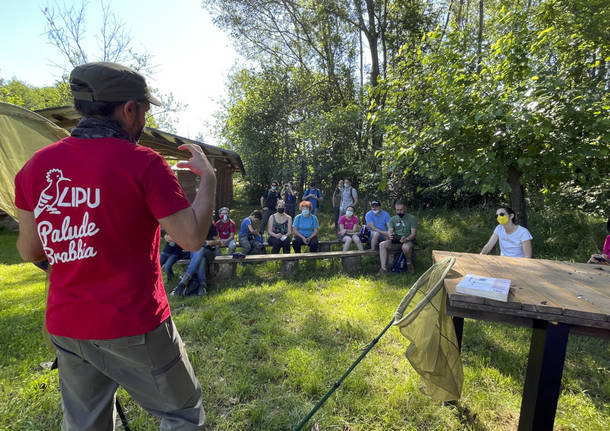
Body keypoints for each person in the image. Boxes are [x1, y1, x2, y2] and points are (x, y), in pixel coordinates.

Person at [14, 62, 212, 429]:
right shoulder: (144, 163)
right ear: (129, 109)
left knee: (86, 424)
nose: (144, 120)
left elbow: (30, 251)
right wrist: (209, 178)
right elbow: (191, 237)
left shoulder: (35, 167)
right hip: (134, 323)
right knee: (182, 413)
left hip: (68, 325)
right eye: (144, 110)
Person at [171, 223, 220, 296]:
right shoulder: (191, 225)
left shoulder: (209, 224)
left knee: (201, 250)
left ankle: (185, 279)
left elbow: (218, 241)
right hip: (195, 252)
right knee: (201, 258)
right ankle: (202, 286)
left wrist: (209, 242)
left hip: (209, 252)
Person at [379, 200, 417, 274]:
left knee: (405, 247)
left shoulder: (412, 218)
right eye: (397, 210)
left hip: (408, 240)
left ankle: (409, 264)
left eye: (401, 210)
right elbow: (390, 230)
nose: (399, 212)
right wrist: (390, 234)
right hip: (396, 241)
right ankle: (383, 269)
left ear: (405, 209)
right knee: (382, 244)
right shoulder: (393, 219)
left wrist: (407, 239)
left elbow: (413, 234)